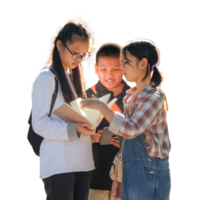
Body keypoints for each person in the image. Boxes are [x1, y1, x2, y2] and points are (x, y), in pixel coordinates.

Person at [80, 37, 171, 200]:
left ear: (143, 63)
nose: (122, 68)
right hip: (130, 171)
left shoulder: (153, 97)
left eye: (125, 63)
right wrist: (118, 176)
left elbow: (131, 129)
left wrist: (101, 106)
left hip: (150, 171)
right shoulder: (131, 97)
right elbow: (127, 144)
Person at [30, 20, 99, 200]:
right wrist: (72, 129)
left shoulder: (73, 78)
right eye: (75, 53)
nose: (79, 60)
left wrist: (87, 132)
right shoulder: (46, 77)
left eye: (83, 55)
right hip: (59, 163)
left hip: (82, 161)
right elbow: (39, 124)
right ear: (59, 44)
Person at [85, 42, 131, 200]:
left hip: (128, 179)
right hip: (92, 178)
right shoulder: (85, 97)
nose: (109, 75)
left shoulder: (134, 97)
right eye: (103, 69)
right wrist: (88, 137)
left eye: (116, 69)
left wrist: (127, 143)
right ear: (96, 69)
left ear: (124, 69)